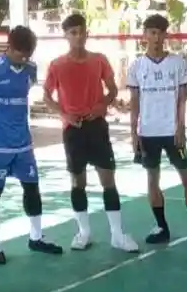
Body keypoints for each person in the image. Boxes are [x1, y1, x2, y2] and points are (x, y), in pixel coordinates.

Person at [42, 13, 138, 252]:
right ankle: (83, 232)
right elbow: (46, 96)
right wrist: (64, 114)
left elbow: (113, 89)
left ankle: (117, 234)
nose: (78, 36)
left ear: (87, 33)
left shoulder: (99, 60)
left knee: (108, 180)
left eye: (81, 31)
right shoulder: (57, 65)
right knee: (78, 182)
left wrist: (102, 104)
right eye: (72, 32)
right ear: (66, 36)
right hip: (73, 130)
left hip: (97, 126)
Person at [0, 25, 62, 263]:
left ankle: (36, 236)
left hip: (23, 144)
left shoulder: (30, 70)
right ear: (9, 47)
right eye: (20, 53)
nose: (24, 59)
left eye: (28, 54)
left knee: (32, 189)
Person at [126, 14, 187, 247]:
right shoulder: (137, 66)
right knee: (152, 179)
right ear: (144, 35)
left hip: (172, 132)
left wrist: (180, 128)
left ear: (166, 35)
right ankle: (161, 227)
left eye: (160, 32)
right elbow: (134, 102)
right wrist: (134, 133)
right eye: (152, 32)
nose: (156, 37)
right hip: (148, 132)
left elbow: (180, 99)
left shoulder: (178, 63)